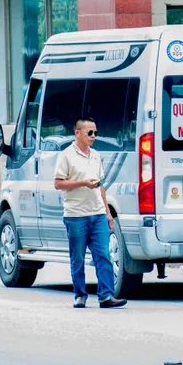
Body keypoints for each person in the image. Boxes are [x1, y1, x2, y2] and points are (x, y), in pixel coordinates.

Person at [54, 117, 127, 309]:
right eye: (90, 133)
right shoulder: (66, 156)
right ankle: (80, 295)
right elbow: (58, 183)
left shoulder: (95, 155)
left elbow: (100, 185)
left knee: (103, 254)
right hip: (76, 215)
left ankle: (106, 296)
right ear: (78, 133)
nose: (94, 136)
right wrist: (82, 183)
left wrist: (108, 213)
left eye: (96, 133)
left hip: (98, 214)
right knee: (77, 257)